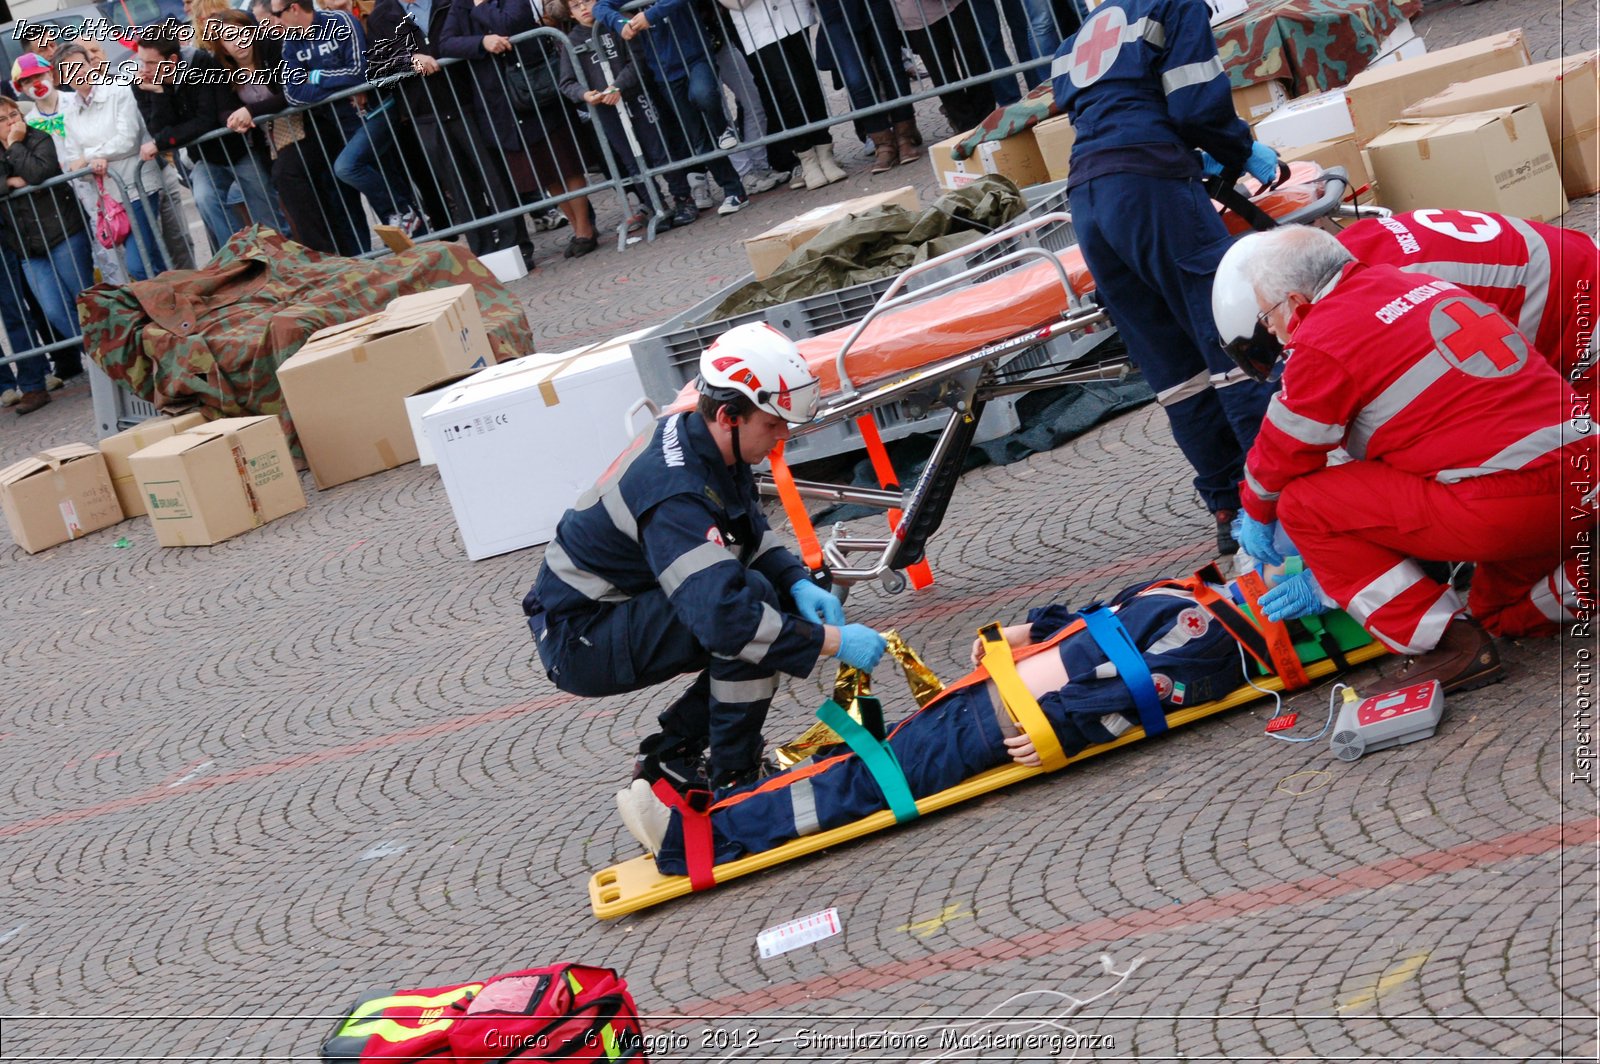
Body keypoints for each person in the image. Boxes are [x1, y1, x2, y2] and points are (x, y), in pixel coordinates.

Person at [616, 568, 1257, 870]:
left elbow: (1131, 693)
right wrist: (1026, 628)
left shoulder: (1211, 640)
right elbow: (1096, 622)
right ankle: (725, 812)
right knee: (860, 764)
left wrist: (1055, 731)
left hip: (1005, 721)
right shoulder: (1187, 594)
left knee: (865, 782)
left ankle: (692, 839)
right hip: (989, 695)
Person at [1213, 225, 1591, 692]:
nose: (1272, 331)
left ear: (1293, 301)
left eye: (1268, 317)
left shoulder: (1324, 338)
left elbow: (1283, 450)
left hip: (1507, 503)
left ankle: (1448, 643)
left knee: (1304, 504)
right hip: (1582, 475)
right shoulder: (1421, 283)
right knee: (1498, 610)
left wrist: (1256, 511)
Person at [522, 323, 887, 793]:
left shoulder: (698, 437)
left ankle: (672, 755)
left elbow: (747, 529)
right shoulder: (675, 493)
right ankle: (733, 777)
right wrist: (830, 640)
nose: (780, 440)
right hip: (581, 639)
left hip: (606, 612)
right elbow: (723, 619)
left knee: (771, 592)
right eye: (772, 425)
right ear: (730, 415)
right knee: (750, 609)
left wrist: (796, 580)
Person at [1050, 0, 1280, 556]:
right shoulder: (1174, 5)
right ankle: (1274, 503)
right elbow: (1196, 105)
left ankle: (1227, 506)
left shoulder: (1079, 38)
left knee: (1174, 370)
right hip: (1150, 185)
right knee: (1231, 342)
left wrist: (1193, 159)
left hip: (1089, 200)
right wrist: (1243, 149)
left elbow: (1114, 113)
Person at [1337, 209, 1598, 404]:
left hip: (1585, 319)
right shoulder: (1352, 244)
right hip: (1575, 256)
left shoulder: (1391, 297)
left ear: (1297, 299)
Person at [367, 0, 531, 260]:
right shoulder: (381, 16)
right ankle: (484, 253)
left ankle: (518, 246)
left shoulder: (451, 1)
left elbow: (471, 33)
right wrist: (408, 61)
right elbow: (376, 65)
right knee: (459, 188)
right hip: (425, 111)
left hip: (469, 99)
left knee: (494, 177)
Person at [438, 0, 598, 258]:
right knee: (546, 171)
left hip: (536, 87)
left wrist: (481, 7)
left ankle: (584, 229)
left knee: (566, 162)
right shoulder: (460, 4)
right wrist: (482, 43)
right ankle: (577, 225)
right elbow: (446, 42)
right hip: (504, 99)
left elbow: (511, 22)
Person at [596, 0, 750, 218]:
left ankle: (723, 128)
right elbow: (600, 6)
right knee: (698, 138)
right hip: (664, 71)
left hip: (696, 56)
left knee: (703, 95)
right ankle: (734, 190)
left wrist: (651, 15)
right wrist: (621, 22)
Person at [133, 24, 281, 249]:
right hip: (204, 157)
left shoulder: (200, 62)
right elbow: (158, 132)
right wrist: (159, 93)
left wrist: (164, 140)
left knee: (266, 214)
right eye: (141, 61)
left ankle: (284, 259)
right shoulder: (143, 83)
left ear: (172, 60)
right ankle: (238, 257)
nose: (144, 68)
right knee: (205, 199)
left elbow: (206, 119)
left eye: (151, 63)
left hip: (238, 147)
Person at [0, 94, 92, 417]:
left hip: (62, 232)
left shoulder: (38, 136)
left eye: (14, 114)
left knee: (85, 300)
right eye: (4, 119)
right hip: (28, 247)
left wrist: (14, 146)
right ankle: (97, 358)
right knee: (53, 310)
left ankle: (108, 359)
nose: (13, 121)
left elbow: (40, 172)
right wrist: (9, 179)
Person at [554, 0, 676, 233]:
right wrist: (585, 95)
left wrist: (618, 86)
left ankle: (682, 197)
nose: (583, 8)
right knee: (630, 160)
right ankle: (655, 205)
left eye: (587, 1)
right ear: (570, 12)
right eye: (576, 5)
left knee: (658, 149)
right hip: (606, 110)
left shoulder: (614, 23)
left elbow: (637, 61)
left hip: (635, 97)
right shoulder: (570, 41)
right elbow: (566, 82)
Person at [56, 42, 168, 281]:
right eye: (69, 69)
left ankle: (173, 308)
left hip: (138, 187)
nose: (78, 72)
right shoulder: (69, 114)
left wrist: (90, 157)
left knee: (140, 265)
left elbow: (128, 140)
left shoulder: (118, 90)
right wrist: (90, 163)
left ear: (90, 64)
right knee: (154, 260)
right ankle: (179, 307)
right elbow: (74, 168)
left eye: (81, 65)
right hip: (111, 200)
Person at [716, 0, 841, 190]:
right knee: (789, 89)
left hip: (792, 12)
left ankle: (825, 151)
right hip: (756, 26)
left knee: (810, 83)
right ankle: (806, 157)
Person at [277, 0, 369, 256]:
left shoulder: (339, 22)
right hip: (328, 128)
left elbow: (359, 73)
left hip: (361, 117)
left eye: (278, 13)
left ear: (294, 8)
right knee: (343, 201)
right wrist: (342, 87)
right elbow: (294, 93)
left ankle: (415, 246)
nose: (276, 20)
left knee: (382, 183)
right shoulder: (291, 41)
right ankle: (360, 262)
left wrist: (315, 77)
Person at [813, 0, 920, 173]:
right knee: (856, 79)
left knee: (891, 67)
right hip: (834, 9)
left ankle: (905, 135)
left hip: (874, 4)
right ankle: (882, 142)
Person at [892, 0, 997, 134]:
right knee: (941, 71)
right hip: (916, 15)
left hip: (956, 5)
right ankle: (967, 127)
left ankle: (986, 119)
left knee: (973, 57)